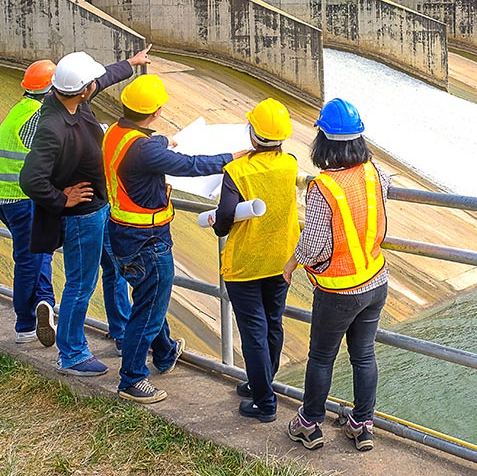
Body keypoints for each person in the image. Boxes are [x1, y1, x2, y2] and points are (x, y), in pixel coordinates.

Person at [20, 46, 150, 376]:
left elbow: (102, 78)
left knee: (115, 270)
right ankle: (72, 353)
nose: (96, 84)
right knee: (80, 284)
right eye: (91, 83)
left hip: (99, 208)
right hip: (82, 218)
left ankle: (120, 331)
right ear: (83, 90)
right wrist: (62, 198)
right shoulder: (54, 126)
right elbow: (30, 179)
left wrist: (130, 64)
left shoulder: (72, 101)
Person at [103, 74, 233, 403]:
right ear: (157, 111)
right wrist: (233, 158)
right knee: (148, 308)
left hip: (122, 233)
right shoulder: (144, 149)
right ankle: (132, 379)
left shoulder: (117, 134)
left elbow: (153, 145)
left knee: (148, 297)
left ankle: (165, 352)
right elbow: (191, 165)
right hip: (148, 241)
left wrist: (162, 142)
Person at [284, 98, 391, 452]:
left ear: (323, 141)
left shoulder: (324, 188)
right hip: (376, 280)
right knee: (363, 355)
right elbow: (382, 192)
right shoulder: (375, 173)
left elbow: (313, 244)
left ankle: (310, 424)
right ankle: (362, 425)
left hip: (339, 290)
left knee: (321, 357)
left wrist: (291, 263)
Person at [213, 98, 301, 422]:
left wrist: (216, 224)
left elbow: (224, 219)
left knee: (253, 329)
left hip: (246, 264)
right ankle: (261, 381)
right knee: (273, 322)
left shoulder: (236, 172)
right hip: (282, 260)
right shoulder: (290, 164)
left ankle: (264, 401)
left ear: (253, 133)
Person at [0, 59, 57, 344]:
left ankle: (44, 302)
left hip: (5, 198)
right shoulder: (40, 116)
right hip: (23, 200)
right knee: (28, 261)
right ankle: (25, 325)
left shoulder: (19, 109)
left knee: (39, 252)